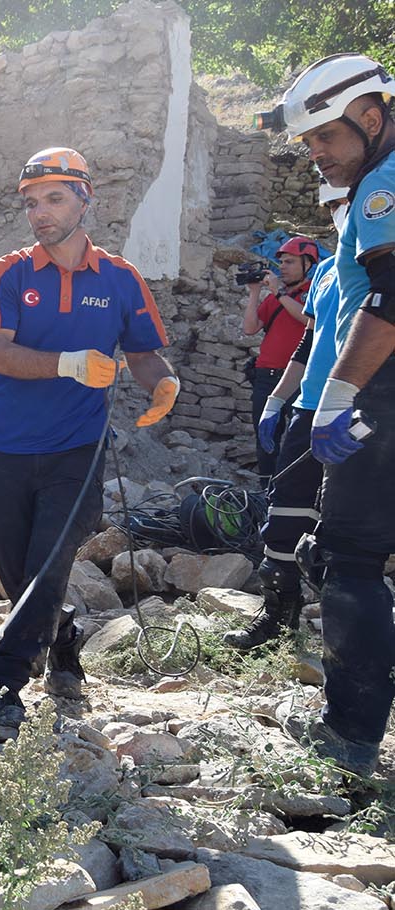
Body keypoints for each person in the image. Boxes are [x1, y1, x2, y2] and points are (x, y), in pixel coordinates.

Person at [0, 148, 177, 726]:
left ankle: (3, 684)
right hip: (4, 444)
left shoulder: (119, 279)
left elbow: (142, 351)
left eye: (55, 198)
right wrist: (66, 363)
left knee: (46, 562)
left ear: (86, 198)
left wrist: (163, 383)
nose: (40, 213)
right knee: (8, 564)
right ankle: (61, 631)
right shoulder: (6, 272)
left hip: (77, 450)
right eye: (32, 202)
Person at [256, 52, 395, 775]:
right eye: (306, 143)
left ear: (371, 120)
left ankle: (349, 738)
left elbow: (390, 299)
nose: (315, 155)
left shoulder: (382, 187)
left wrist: (339, 399)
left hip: (382, 398)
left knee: (350, 559)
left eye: (326, 139)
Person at [226, 185, 348, 649]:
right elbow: (308, 343)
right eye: (334, 206)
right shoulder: (330, 274)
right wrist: (278, 401)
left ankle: (350, 648)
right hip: (309, 410)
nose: (341, 212)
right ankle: (277, 623)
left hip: (360, 411)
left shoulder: (382, 266)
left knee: (348, 535)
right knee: (283, 520)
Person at [242, 236, 314, 478]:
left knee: (299, 441)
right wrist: (254, 294)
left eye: (290, 262)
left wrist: (280, 293)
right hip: (266, 377)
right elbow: (250, 328)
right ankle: (266, 493)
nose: (282, 266)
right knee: (265, 441)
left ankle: (292, 495)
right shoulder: (275, 296)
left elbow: (308, 320)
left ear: (308, 265)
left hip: (298, 379)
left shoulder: (312, 292)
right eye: (281, 261)